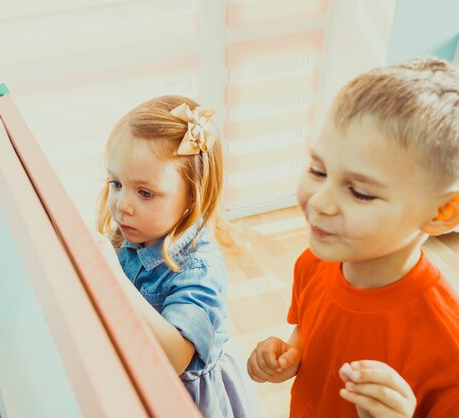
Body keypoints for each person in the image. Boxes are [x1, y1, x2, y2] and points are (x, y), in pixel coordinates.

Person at [247, 56, 459, 417]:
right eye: (318, 170)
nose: (320, 202)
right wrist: (291, 355)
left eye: (359, 192)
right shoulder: (314, 262)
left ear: (441, 214)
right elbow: (308, 333)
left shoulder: (448, 345)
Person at [96, 95, 261, 417]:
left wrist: (112, 278)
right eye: (116, 183)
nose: (122, 205)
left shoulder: (200, 269)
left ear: (192, 197)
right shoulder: (131, 233)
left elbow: (174, 359)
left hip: (190, 398)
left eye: (145, 193)